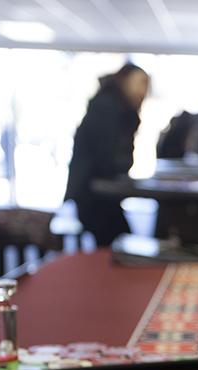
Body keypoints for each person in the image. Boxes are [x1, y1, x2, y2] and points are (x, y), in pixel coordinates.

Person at [65, 63, 150, 246]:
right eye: (140, 83)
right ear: (125, 81)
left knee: (120, 240)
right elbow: (108, 158)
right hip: (92, 193)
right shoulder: (108, 106)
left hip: (98, 191)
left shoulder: (117, 107)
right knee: (119, 242)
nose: (144, 91)